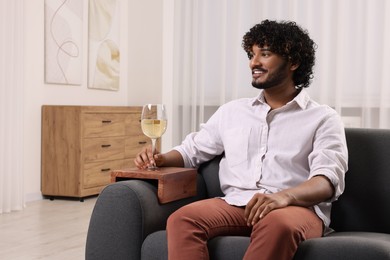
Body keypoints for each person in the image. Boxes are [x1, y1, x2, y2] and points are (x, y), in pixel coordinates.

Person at [134, 19, 348, 260]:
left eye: (264, 54)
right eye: (251, 54)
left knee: (278, 224)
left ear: (294, 62)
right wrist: (161, 158)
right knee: (183, 219)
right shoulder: (232, 112)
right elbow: (192, 150)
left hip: (294, 209)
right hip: (236, 204)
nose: (253, 62)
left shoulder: (323, 118)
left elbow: (327, 181)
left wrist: (284, 197)